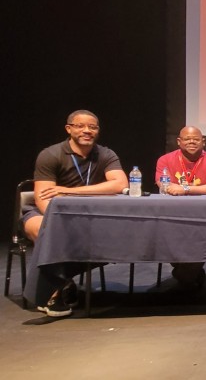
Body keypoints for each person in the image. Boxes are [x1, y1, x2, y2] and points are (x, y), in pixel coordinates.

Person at [24, 110, 129, 317]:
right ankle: (56, 287)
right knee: (44, 230)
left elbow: (120, 184)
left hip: (89, 214)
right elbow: (43, 198)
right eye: (80, 126)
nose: (87, 131)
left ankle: (60, 281)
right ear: (69, 129)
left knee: (116, 237)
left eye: (92, 127)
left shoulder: (105, 154)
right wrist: (58, 223)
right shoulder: (51, 154)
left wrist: (68, 191)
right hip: (49, 213)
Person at [154, 126, 206, 288]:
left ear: (203, 142)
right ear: (179, 142)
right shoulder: (165, 160)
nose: (192, 142)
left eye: (196, 139)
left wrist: (185, 189)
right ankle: (189, 272)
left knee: (197, 245)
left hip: (205, 217)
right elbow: (163, 184)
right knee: (163, 238)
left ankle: (187, 273)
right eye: (187, 139)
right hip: (172, 216)